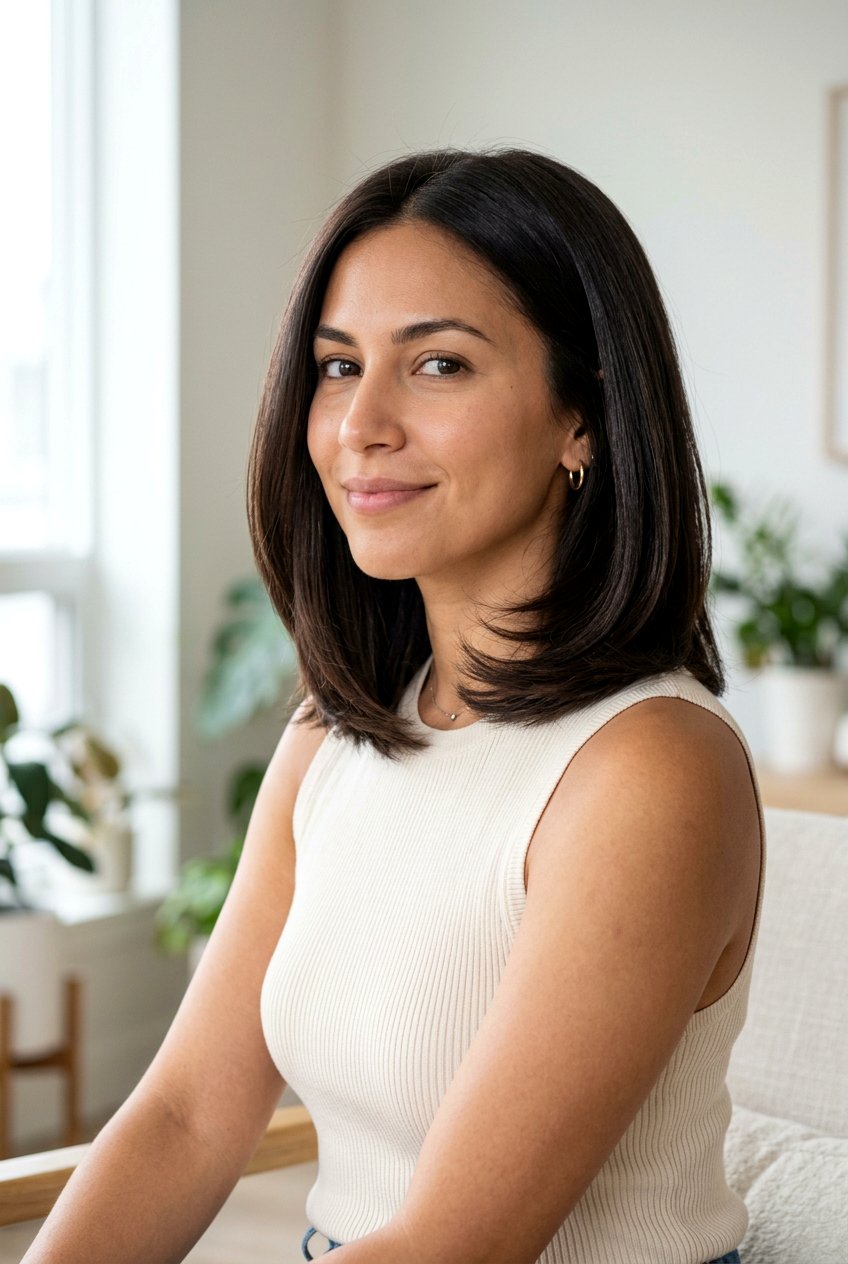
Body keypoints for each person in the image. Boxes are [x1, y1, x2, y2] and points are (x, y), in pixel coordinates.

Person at [23, 148, 763, 1264]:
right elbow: (185, 1118)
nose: (358, 423)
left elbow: (453, 1244)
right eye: (335, 365)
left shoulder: (649, 768)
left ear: (583, 418)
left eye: (438, 366)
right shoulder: (338, 726)